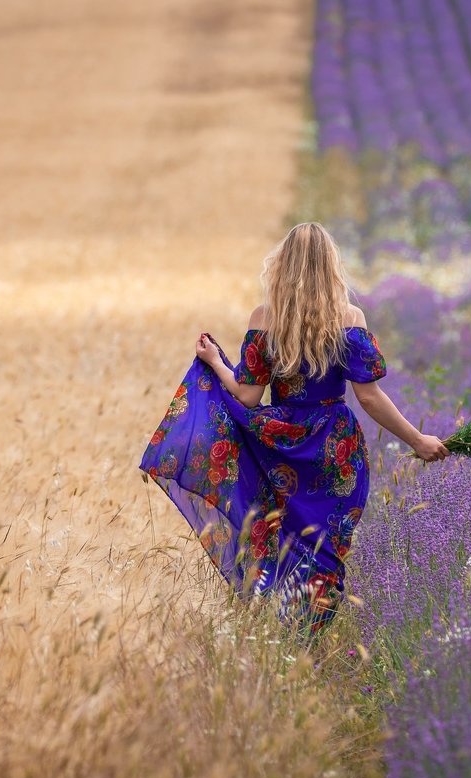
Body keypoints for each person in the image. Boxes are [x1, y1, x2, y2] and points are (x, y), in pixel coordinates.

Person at [139, 221, 448, 635]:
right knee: (326, 550)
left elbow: (247, 398)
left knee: (279, 537)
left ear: (282, 265)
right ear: (330, 266)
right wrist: (419, 439)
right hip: (334, 448)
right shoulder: (349, 318)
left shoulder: (266, 318)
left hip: (282, 445)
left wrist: (215, 362)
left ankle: (282, 633)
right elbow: (370, 397)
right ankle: (307, 640)